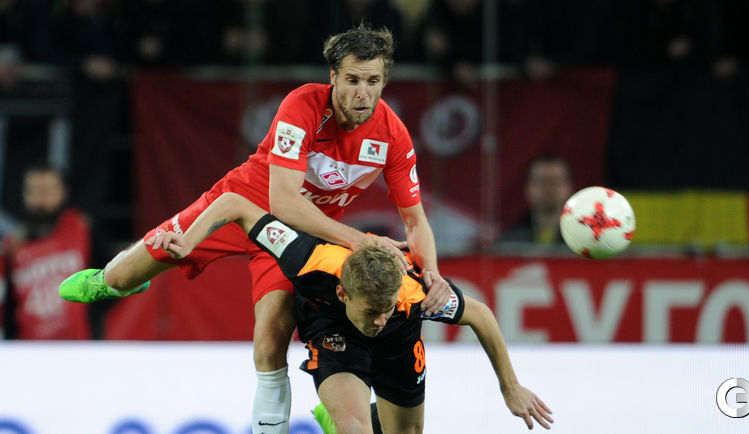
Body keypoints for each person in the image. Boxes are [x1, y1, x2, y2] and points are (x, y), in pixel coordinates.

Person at [58, 24, 450, 434]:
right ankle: (117, 280)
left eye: (372, 82)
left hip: (295, 234)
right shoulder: (303, 106)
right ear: (333, 76)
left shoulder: (392, 135)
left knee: (270, 341)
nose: (362, 93)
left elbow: (414, 220)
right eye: (352, 80)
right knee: (121, 277)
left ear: (384, 81)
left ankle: (322, 412)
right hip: (235, 207)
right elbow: (283, 202)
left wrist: (433, 273)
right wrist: (363, 241)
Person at [146, 191, 554, 433]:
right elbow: (234, 203)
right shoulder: (307, 259)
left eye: (385, 308)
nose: (379, 318)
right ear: (343, 291)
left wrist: (510, 387)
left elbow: (480, 315)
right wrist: (188, 239)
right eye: (373, 310)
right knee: (353, 429)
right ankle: (339, 413)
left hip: (399, 344)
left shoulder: (412, 294)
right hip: (332, 331)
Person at [1, 163, 91, 340]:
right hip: (29, 350)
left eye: (48, 191)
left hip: (81, 347)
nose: (41, 200)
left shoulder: (81, 228)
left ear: (63, 193)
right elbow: (8, 308)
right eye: (34, 191)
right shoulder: (13, 246)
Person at [496, 155, 573, 247]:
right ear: (527, 187)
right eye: (541, 181)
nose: (548, 188)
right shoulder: (508, 243)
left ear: (569, 187)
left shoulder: (582, 241)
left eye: (555, 182)